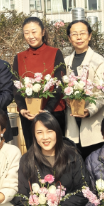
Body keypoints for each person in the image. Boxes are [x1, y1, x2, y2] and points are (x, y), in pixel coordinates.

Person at [13, 17, 67, 149]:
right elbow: (15, 85)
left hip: (53, 112)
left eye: (34, 32)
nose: (30, 36)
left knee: (55, 151)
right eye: (26, 33)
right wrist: (22, 108)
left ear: (43, 32)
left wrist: (47, 110)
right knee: (33, 151)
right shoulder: (19, 57)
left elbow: (59, 83)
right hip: (29, 115)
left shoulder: (55, 53)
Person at [63, 19, 104, 160]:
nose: (79, 37)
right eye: (74, 34)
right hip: (72, 125)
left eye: (82, 33)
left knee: (95, 165)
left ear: (89, 36)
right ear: (69, 38)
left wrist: (90, 110)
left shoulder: (98, 60)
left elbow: (103, 91)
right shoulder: (66, 61)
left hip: (93, 126)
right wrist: (67, 100)